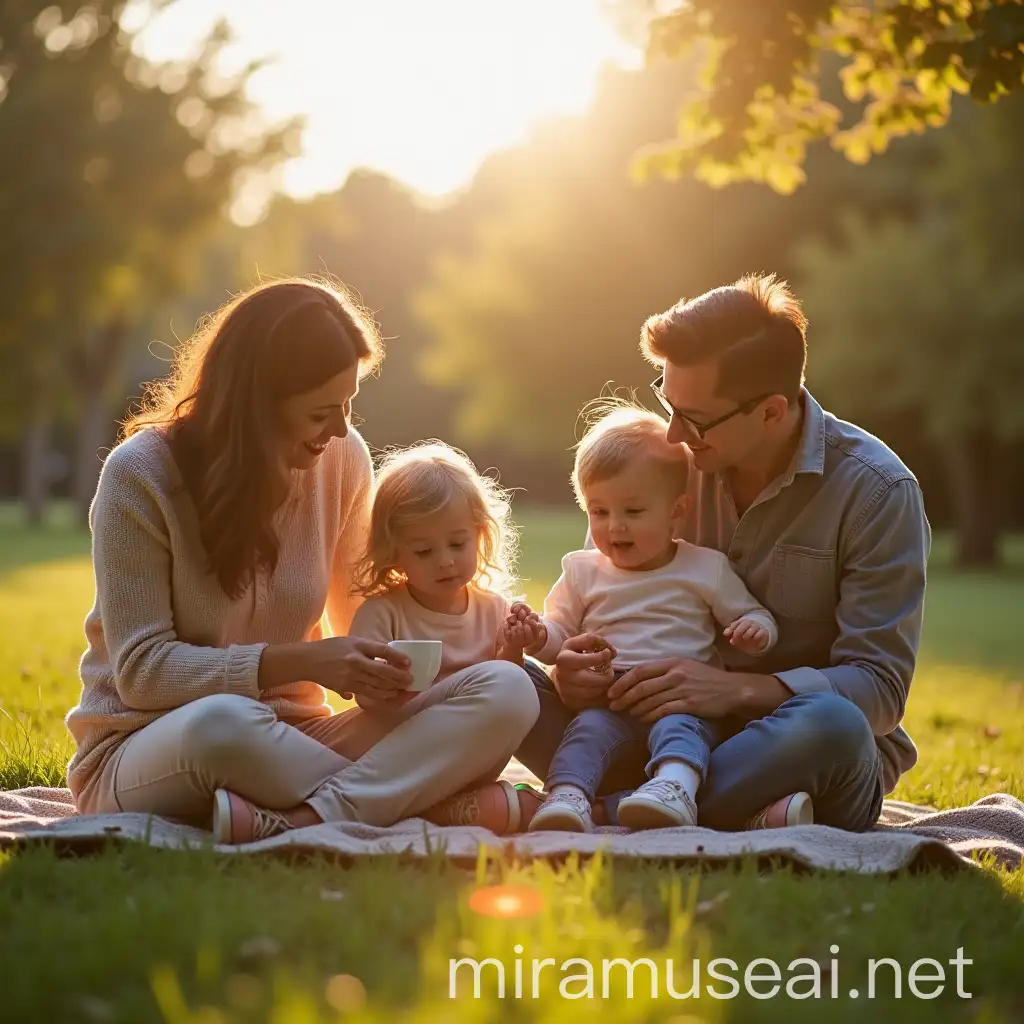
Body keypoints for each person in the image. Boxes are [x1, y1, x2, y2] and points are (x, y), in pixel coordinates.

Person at [65, 279, 538, 844]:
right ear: (256, 405)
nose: (340, 429)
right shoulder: (141, 475)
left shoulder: (342, 458)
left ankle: (309, 817)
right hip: (155, 743)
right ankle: (430, 804)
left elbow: (357, 623)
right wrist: (299, 663)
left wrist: (392, 677)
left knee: (509, 690)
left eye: (348, 406)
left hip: (302, 738)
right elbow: (142, 674)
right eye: (321, 412)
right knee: (226, 721)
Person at [514, 274, 930, 832]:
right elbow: (605, 594)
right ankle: (728, 812)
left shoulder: (877, 492)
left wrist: (733, 689)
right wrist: (573, 672)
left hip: (786, 749)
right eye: (668, 401)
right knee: (507, 677)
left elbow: (878, 689)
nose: (673, 431)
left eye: (696, 418)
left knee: (835, 722)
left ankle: (604, 808)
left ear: (771, 413)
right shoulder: (664, 459)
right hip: (637, 727)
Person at [502, 404, 795, 834]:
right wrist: (538, 635)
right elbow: (560, 635)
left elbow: (751, 612)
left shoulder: (704, 568)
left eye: (633, 512)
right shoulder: (582, 570)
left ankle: (672, 788)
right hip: (609, 703)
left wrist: (757, 630)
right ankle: (569, 795)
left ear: (677, 511)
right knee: (586, 732)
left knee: (682, 734)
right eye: (599, 512)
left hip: (682, 701)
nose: (614, 527)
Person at [346, 441, 546, 833]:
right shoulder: (382, 613)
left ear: (481, 535)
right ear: (394, 552)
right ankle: (434, 806)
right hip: (401, 754)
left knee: (518, 686)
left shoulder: (492, 609)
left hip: (470, 759)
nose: (445, 560)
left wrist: (514, 648)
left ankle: (427, 806)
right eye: (423, 550)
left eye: (458, 544)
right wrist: (384, 685)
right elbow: (364, 696)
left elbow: (503, 696)